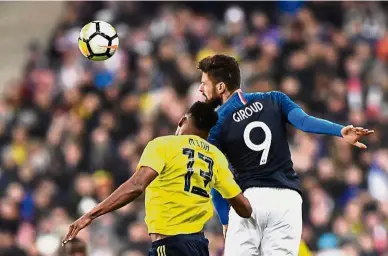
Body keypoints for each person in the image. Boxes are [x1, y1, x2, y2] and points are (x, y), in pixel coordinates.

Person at [197, 54, 374, 256]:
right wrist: (340, 131)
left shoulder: (215, 124)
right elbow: (304, 122)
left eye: (204, 83)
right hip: (288, 200)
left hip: (250, 201)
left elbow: (217, 176)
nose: (201, 89)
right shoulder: (275, 99)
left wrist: (226, 219)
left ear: (220, 87)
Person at [62, 101, 252, 256]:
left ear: (182, 120)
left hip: (170, 245)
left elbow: (137, 185)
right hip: (199, 247)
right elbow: (244, 208)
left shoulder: (164, 145)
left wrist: (90, 215)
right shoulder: (216, 157)